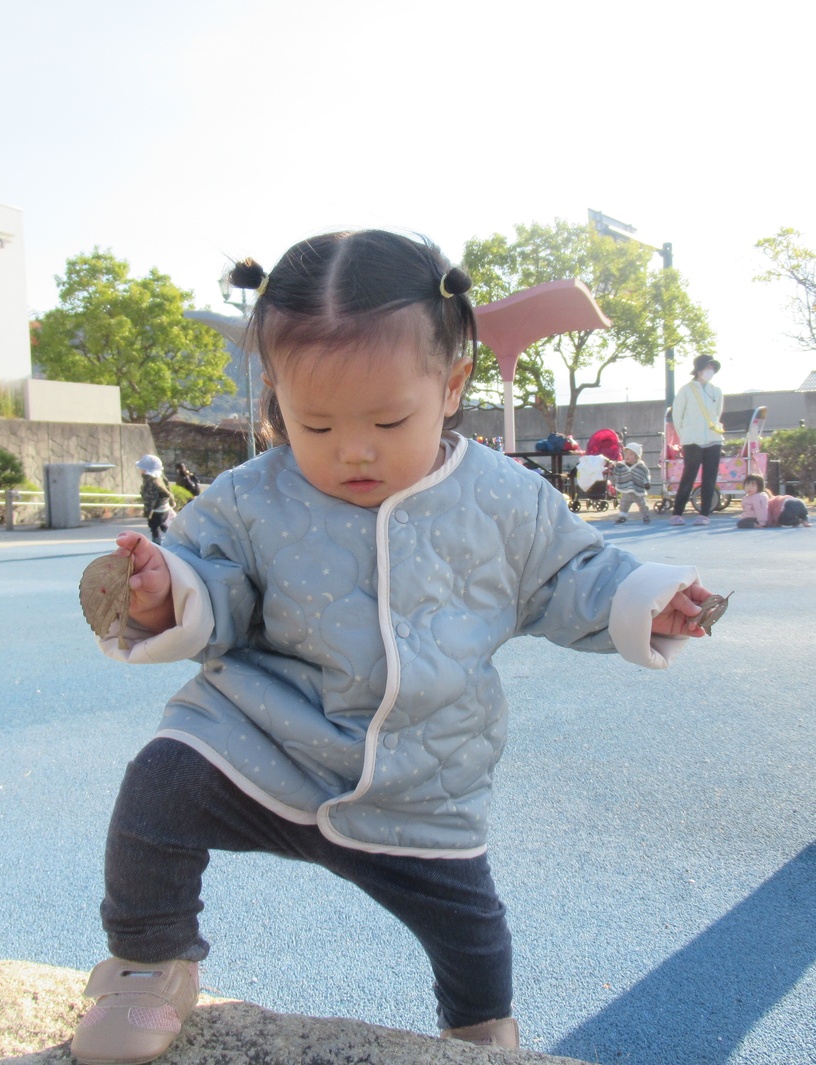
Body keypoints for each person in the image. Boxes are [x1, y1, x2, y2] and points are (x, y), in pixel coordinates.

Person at [70, 230, 715, 1065]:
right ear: (277, 397)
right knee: (161, 783)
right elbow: (213, 579)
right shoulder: (250, 497)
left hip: (424, 777)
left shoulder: (505, 501)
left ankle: (480, 1029)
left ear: (451, 386)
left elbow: (571, 577)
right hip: (266, 739)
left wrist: (645, 603)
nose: (353, 448)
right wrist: (168, 591)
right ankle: (147, 962)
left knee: (474, 938)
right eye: (315, 421)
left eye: (387, 418)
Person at [670, 354, 723, 526]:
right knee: (689, 475)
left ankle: (704, 513)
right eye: (708, 367)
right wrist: (684, 434)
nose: (710, 371)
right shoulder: (686, 390)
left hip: (714, 438)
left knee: (710, 477)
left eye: (712, 368)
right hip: (692, 439)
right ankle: (677, 513)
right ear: (699, 369)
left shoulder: (716, 390)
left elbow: (717, 413)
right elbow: (677, 414)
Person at [136, 454, 176, 544]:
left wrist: (148, 512)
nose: (139, 470)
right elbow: (169, 491)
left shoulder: (150, 482)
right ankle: (175, 541)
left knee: (154, 528)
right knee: (164, 526)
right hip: (165, 508)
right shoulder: (161, 478)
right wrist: (172, 502)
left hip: (156, 511)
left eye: (141, 468)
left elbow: (150, 499)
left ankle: (157, 545)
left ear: (146, 470)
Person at [612, 442, 652, 523]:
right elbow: (616, 471)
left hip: (638, 490)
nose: (627, 456)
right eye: (626, 454)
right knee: (623, 504)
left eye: (631, 454)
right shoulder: (621, 465)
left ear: (637, 456)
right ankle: (622, 516)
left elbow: (645, 475)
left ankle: (646, 516)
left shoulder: (641, 467)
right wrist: (612, 467)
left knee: (643, 505)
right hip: (626, 490)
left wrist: (646, 483)